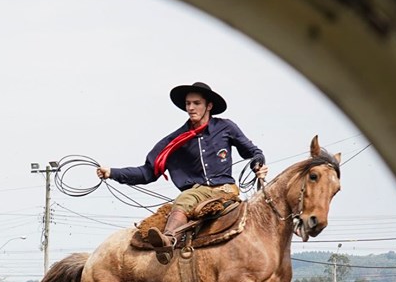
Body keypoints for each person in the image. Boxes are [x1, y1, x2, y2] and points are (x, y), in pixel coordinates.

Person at [96, 81, 267, 251]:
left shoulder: (226, 127)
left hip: (226, 190)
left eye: (196, 103)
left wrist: (258, 163)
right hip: (195, 194)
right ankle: (168, 244)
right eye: (188, 103)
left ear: (209, 105)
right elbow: (148, 172)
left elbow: (253, 151)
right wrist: (112, 172)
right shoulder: (174, 141)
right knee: (187, 198)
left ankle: (168, 239)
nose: (191, 108)